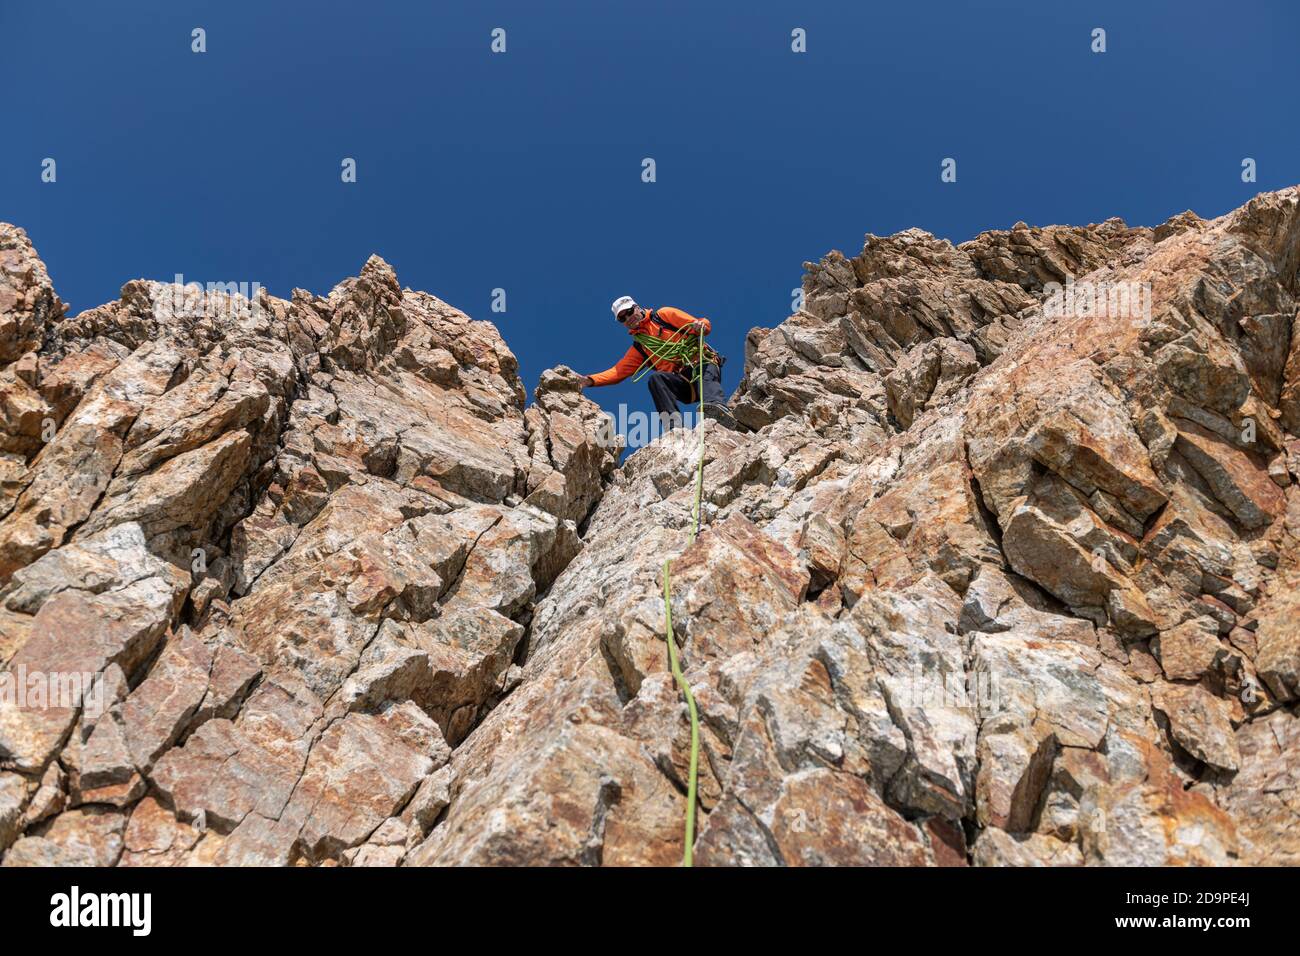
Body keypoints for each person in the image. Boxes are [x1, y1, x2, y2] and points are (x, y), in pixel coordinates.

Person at [580, 295, 736, 430]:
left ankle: (717, 409)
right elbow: (617, 372)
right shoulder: (641, 346)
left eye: (629, 312)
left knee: (703, 370)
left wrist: (700, 325)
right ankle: (674, 427)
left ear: (637, 307)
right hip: (683, 382)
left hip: (702, 365)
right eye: (622, 318)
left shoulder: (663, 315)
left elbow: (700, 324)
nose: (628, 318)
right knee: (656, 379)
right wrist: (589, 380)